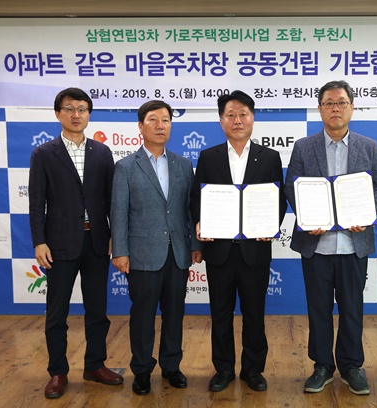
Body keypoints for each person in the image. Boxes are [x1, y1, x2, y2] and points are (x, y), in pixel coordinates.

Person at [284, 80, 377, 395]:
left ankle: (351, 366)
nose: (335, 108)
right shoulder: (304, 147)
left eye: (341, 102)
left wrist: (366, 213)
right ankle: (322, 366)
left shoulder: (368, 146)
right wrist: (307, 216)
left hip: (353, 244)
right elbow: (291, 186)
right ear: (320, 109)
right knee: (318, 309)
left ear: (352, 108)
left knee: (352, 308)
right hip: (316, 244)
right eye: (329, 103)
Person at [29, 87, 122, 399]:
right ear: (58, 114)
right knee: (57, 312)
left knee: (97, 309)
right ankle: (58, 372)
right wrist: (39, 241)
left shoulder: (102, 152)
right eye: (69, 109)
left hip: (97, 241)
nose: (76, 114)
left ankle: (95, 365)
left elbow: (111, 201)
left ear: (89, 114)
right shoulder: (44, 153)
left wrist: (115, 236)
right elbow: (36, 202)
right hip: (58, 244)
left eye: (82, 109)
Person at [190, 90, 286, 393]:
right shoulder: (209, 157)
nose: (237, 120)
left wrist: (271, 225)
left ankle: (253, 370)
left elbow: (279, 199)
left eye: (243, 114)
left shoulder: (270, 157)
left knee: (254, 313)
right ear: (221, 121)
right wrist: (200, 223)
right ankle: (223, 369)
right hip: (219, 250)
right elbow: (197, 198)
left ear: (252, 119)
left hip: (254, 250)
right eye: (230, 115)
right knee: (220, 313)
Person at [110, 100, 201, 395]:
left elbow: (190, 210)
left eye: (166, 120)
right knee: (143, 316)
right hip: (142, 254)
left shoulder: (183, 165)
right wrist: (120, 251)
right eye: (153, 120)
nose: (160, 125)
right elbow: (118, 213)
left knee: (175, 313)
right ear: (141, 126)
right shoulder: (125, 167)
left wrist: (195, 244)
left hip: (178, 253)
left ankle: (172, 366)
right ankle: (142, 369)